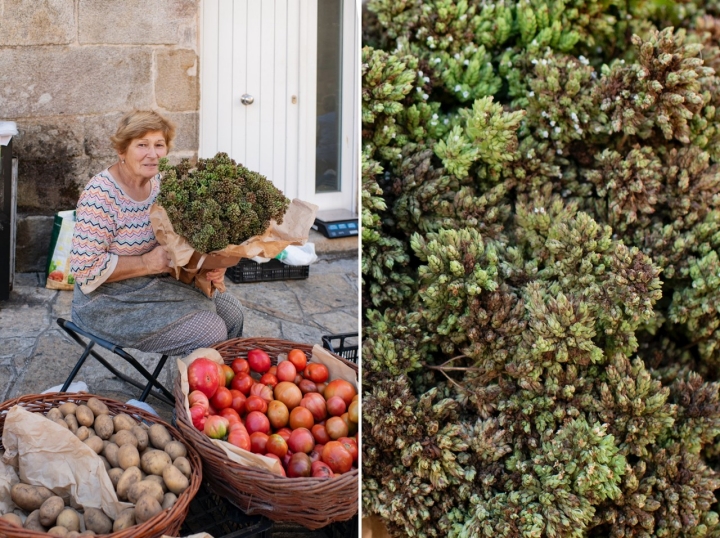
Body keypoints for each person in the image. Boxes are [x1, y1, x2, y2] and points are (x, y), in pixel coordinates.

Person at [69, 110, 243, 356]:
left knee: (232, 312)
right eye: (142, 145)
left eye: (159, 145)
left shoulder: (160, 184)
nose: (153, 154)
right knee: (209, 329)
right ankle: (190, 391)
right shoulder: (100, 195)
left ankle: (225, 390)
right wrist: (146, 262)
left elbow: (181, 238)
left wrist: (211, 264)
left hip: (154, 285)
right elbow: (84, 270)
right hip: (108, 302)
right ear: (122, 151)